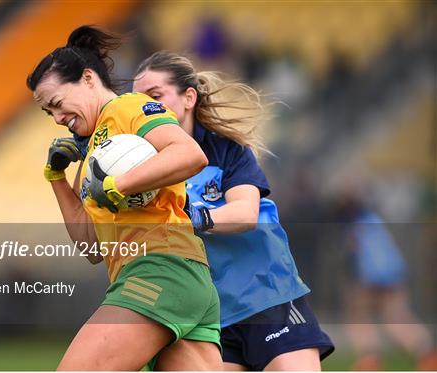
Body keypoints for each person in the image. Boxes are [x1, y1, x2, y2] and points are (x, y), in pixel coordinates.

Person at [26, 26, 223, 371]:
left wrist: (122, 183)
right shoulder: (91, 157)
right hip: (180, 281)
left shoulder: (129, 106)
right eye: (49, 113)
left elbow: (190, 154)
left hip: (160, 270)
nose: (57, 118)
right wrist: (56, 178)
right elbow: (89, 246)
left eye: (57, 103)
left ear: (88, 79)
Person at [133, 51, 335, 371]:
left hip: (266, 295)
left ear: (189, 98)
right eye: (137, 102)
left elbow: (244, 213)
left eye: (154, 96)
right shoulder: (138, 165)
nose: (144, 109)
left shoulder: (227, 149)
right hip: (209, 315)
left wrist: (192, 218)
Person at [334, 188, 437, 371]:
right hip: (393, 275)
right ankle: (427, 353)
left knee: (358, 317)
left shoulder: (353, 227)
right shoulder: (374, 220)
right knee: (397, 320)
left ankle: (369, 360)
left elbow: (354, 253)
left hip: (369, 278)